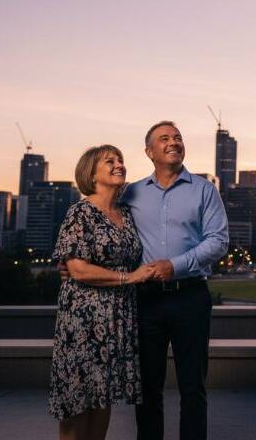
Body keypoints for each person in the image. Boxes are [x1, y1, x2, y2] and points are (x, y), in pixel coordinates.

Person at [123, 121, 229, 440]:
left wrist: (175, 266)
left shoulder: (204, 189)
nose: (174, 142)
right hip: (146, 300)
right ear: (149, 151)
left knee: (192, 387)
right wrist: (74, 263)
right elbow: (110, 234)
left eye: (178, 137)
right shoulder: (131, 193)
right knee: (147, 388)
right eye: (164, 138)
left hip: (190, 297)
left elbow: (218, 241)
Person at [49, 145, 155, 439]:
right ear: (91, 173)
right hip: (84, 321)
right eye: (110, 161)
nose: (119, 164)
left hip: (118, 320)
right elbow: (78, 269)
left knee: (102, 397)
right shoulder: (80, 212)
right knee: (78, 400)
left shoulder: (126, 214)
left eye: (120, 160)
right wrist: (128, 277)